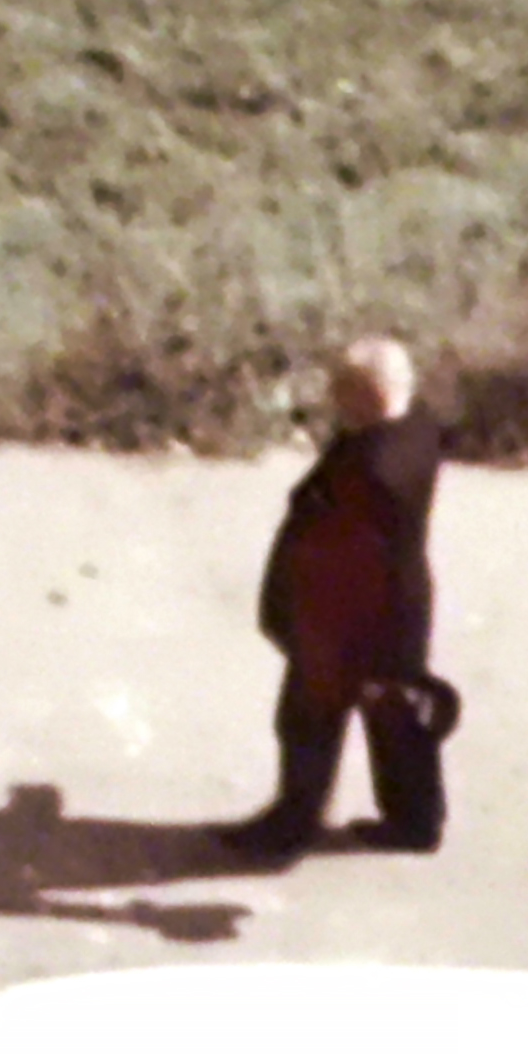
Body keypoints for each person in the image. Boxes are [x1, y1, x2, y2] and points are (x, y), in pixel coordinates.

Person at [222, 335, 453, 859]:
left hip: (347, 617)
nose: (332, 399)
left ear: (366, 393)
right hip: (400, 602)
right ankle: (416, 822)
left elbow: (339, 556)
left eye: (341, 389)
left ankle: (293, 824)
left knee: (308, 721)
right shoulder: (416, 426)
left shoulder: (371, 472)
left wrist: (306, 626)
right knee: (396, 716)